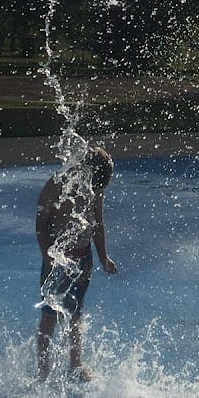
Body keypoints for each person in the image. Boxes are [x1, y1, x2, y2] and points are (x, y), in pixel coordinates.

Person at [35, 146, 118, 381]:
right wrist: (47, 255)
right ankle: (43, 370)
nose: (95, 191)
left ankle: (75, 364)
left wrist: (103, 257)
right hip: (57, 260)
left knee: (75, 314)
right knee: (49, 315)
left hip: (83, 258)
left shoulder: (95, 189)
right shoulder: (57, 185)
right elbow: (41, 223)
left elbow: (97, 225)